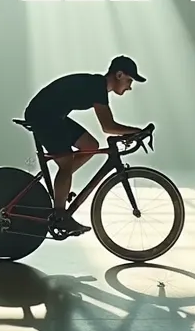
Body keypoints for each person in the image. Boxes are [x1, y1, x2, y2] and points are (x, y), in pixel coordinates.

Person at [23, 55, 148, 235]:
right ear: (119, 75)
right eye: (130, 80)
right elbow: (108, 127)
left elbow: (107, 127)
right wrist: (136, 131)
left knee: (90, 145)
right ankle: (60, 217)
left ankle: (62, 186)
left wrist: (133, 132)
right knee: (66, 164)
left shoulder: (98, 86)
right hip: (42, 116)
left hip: (54, 116)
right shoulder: (98, 88)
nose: (130, 87)